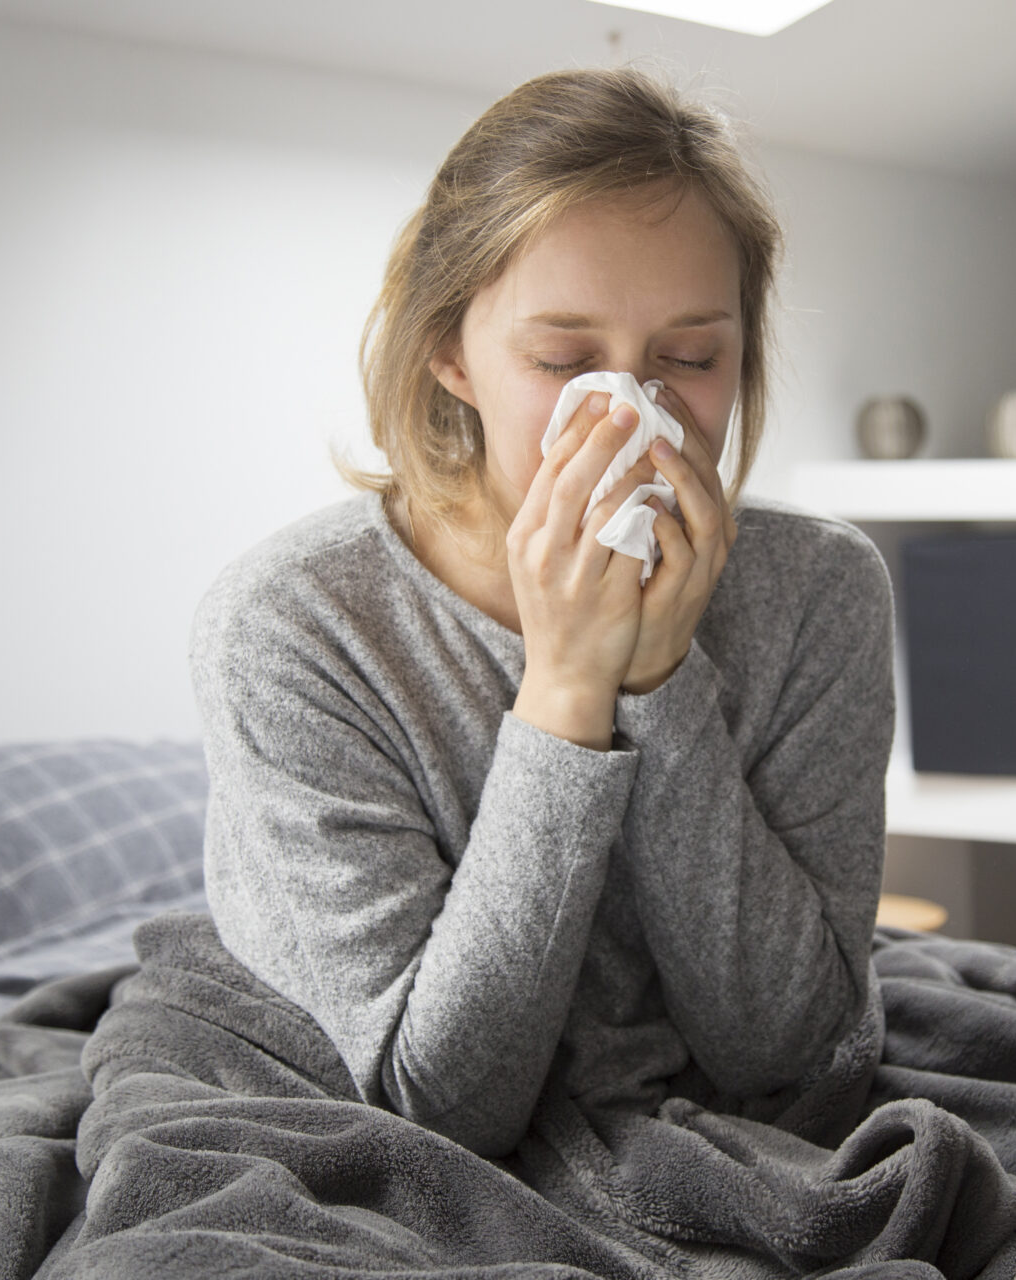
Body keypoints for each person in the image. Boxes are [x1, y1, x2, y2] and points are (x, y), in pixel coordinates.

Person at [187, 65, 897, 1160]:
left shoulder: (819, 589)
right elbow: (442, 1103)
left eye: (691, 357)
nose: (634, 410)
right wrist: (569, 688)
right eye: (564, 358)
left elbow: (794, 1054)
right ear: (446, 349)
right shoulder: (294, 626)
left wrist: (661, 685)